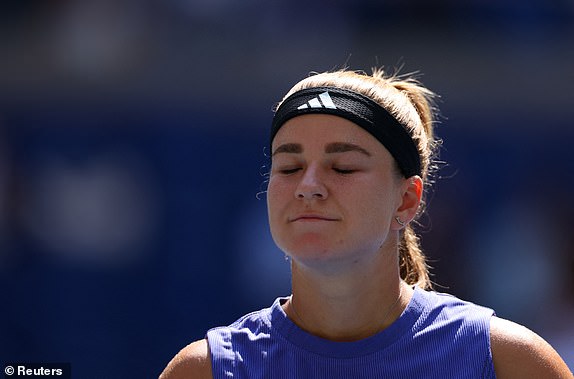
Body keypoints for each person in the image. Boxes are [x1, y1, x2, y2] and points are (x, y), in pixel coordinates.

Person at [160, 69, 573, 378]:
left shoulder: (507, 362)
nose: (309, 186)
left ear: (407, 199)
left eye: (342, 167)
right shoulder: (206, 371)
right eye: (289, 167)